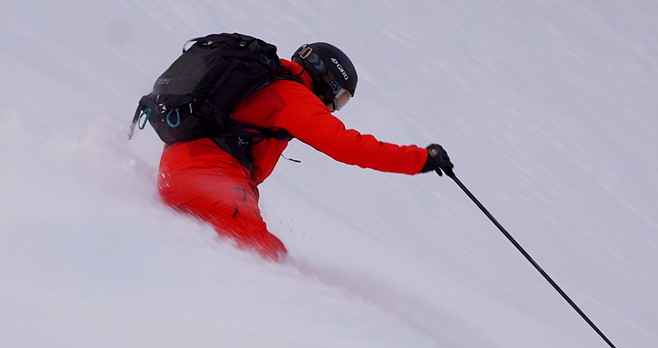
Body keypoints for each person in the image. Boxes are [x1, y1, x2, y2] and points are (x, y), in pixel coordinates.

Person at [157, 41, 454, 260]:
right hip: (208, 178)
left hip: (187, 171)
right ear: (327, 81)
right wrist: (421, 159)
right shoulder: (293, 95)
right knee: (266, 261)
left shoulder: (271, 80)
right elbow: (347, 146)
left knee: (257, 255)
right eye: (339, 98)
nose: (334, 108)